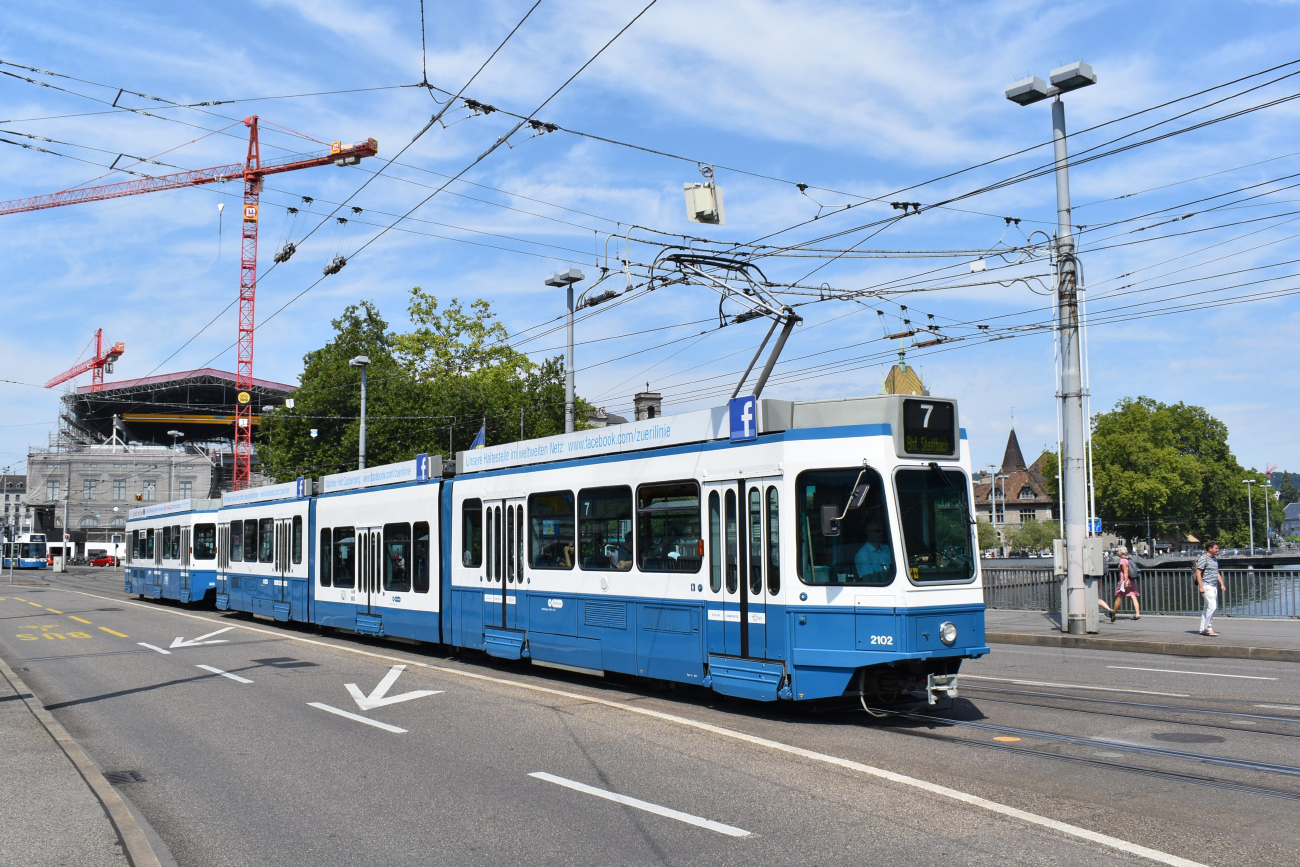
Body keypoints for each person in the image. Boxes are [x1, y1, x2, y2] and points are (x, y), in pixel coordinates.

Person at [1197, 541, 1225, 637]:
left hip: (1213, 585)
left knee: (1207, 608)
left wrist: (1222, 584)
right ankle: (1208, 628)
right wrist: (1201, 587)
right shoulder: (1204, 558)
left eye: (1218, 548)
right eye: (1216, 548)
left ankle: (1202, 629)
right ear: (1210, 549)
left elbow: (1216, 572)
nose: (1218, 550)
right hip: (1206, 585)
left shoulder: (1214, 559)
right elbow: (1198, 573)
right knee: (1212, 606)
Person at [1111, 547, 1140, 621]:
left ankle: (1113, 613)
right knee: (1133, 596)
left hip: (1124, 581)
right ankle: (1137, 614)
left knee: (1118, 596)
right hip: (1131, 581)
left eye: (1118, 551)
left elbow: (1125, 571)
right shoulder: (1128, 559)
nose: (1117, 552)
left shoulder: (1122, 561)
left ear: (1121, 552)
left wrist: (1125, 581)